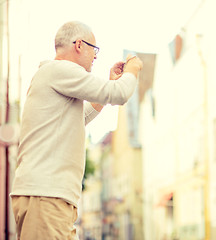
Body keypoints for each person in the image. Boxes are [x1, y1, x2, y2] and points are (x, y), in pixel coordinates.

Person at [10, 21, 143, 239]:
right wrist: (133, 69)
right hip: (46, 196)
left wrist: (109, 84)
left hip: (48, 196)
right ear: (79, 45)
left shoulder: (53, 75)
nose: (96, 56)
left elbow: (78, 118)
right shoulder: (61, 70)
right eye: (94, 49)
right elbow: (119, 93)